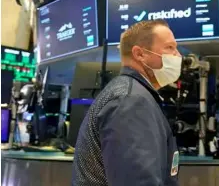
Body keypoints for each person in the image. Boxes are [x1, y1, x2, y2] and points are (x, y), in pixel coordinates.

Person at [72, 20, 182, 186]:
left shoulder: (132, 93)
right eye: (170, 48)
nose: (178, 55)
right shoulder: (131, 101)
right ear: (140, 54)